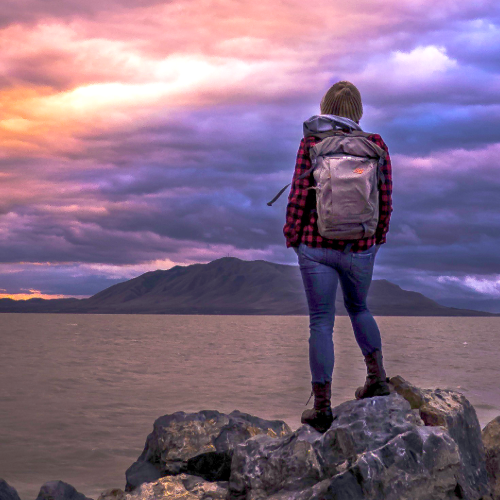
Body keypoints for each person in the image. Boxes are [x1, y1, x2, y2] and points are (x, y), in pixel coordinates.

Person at [283, 81, 393, 433]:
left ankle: (323, 407)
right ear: (357, 110)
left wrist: (293, 237)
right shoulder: (375, 146)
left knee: (320, 322)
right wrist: (376, 239)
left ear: (326, 106)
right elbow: (385, 197)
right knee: (359, 308)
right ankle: (376, 378)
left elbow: (300, 195)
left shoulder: (312, 144)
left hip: (316, 248)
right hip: (360, 247)